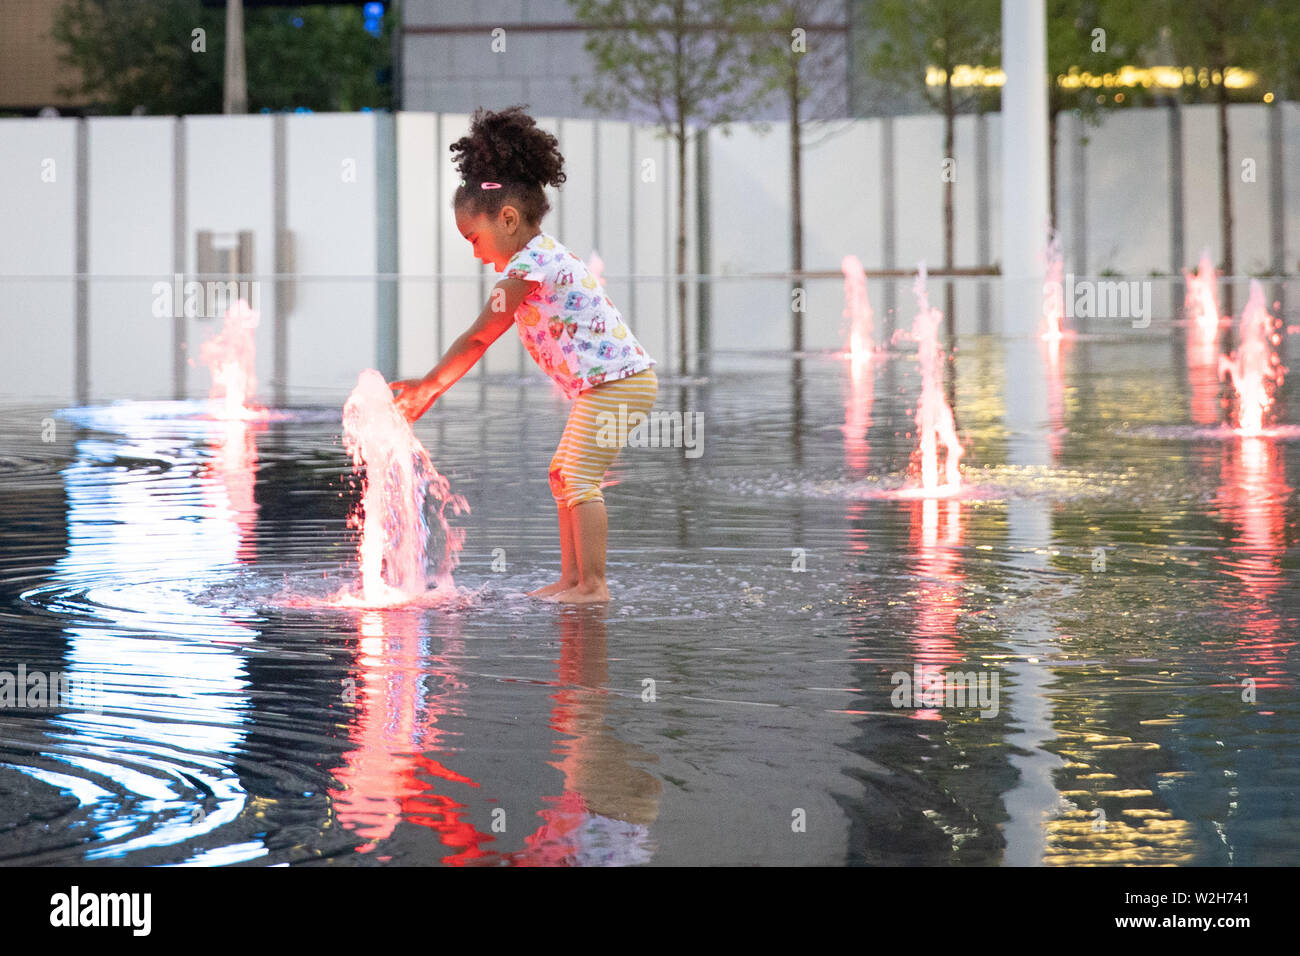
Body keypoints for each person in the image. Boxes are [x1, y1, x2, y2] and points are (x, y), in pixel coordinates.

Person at [391, 105, 658, 604]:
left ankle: (593, 586)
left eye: (474, 238)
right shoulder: (538, 259)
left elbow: (479, 336)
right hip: (609, 384)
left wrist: (428, 386)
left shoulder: (532, 264)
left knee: (579, 476)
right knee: (564, 475)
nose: (474, 251)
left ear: (507, 218)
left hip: (620, 383)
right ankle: (573, 580)